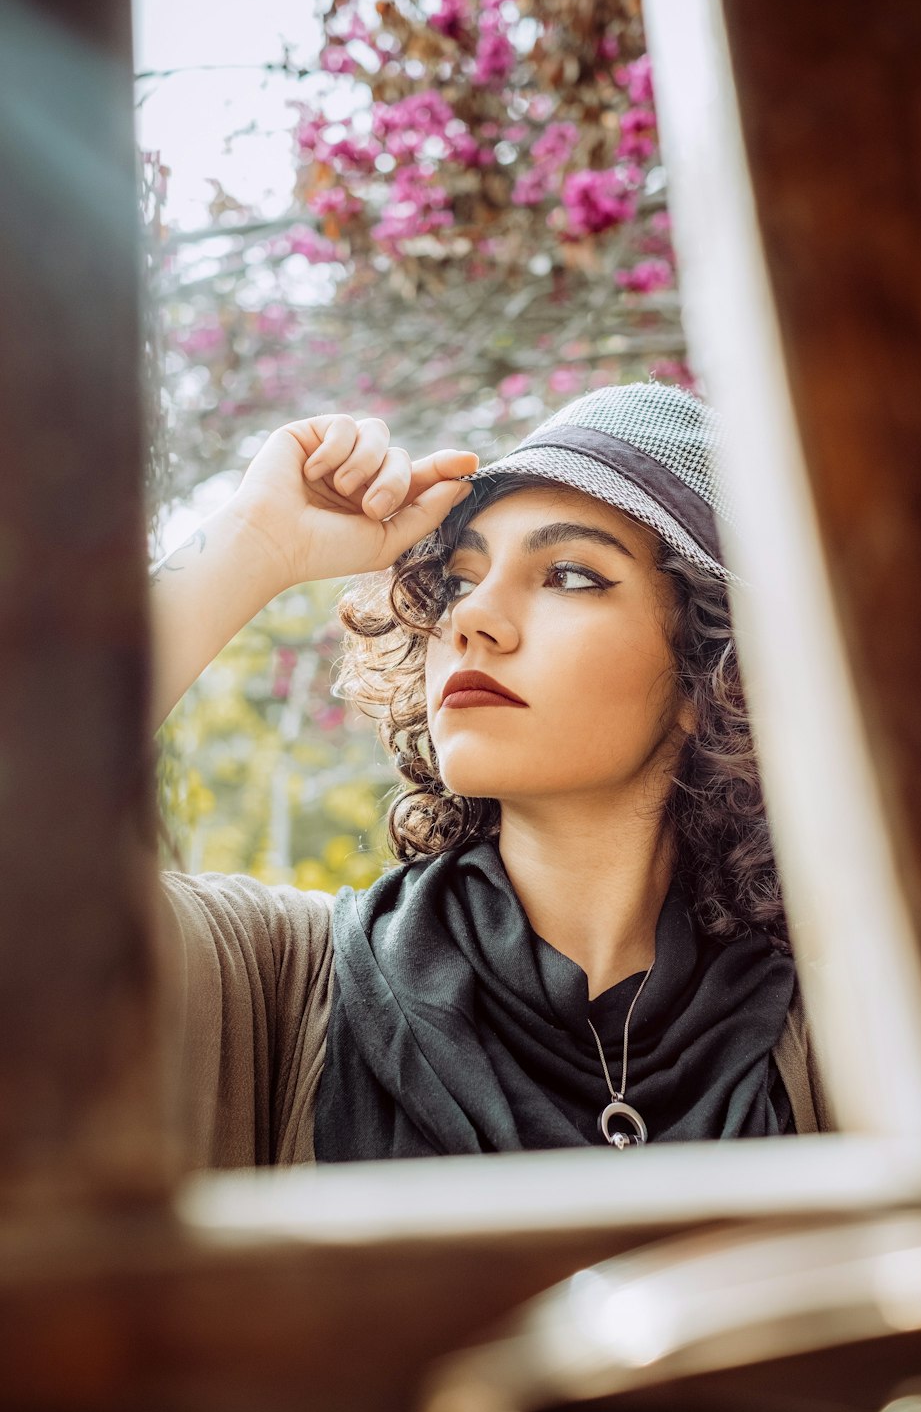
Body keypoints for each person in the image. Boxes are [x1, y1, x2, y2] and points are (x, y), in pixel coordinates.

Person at [152, 382, 830, 1169]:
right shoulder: (272, 983)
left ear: (716, 676)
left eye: (570, 575)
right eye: (459, 580)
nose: (470, 618)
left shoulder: (838, 1032)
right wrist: (255, 540)